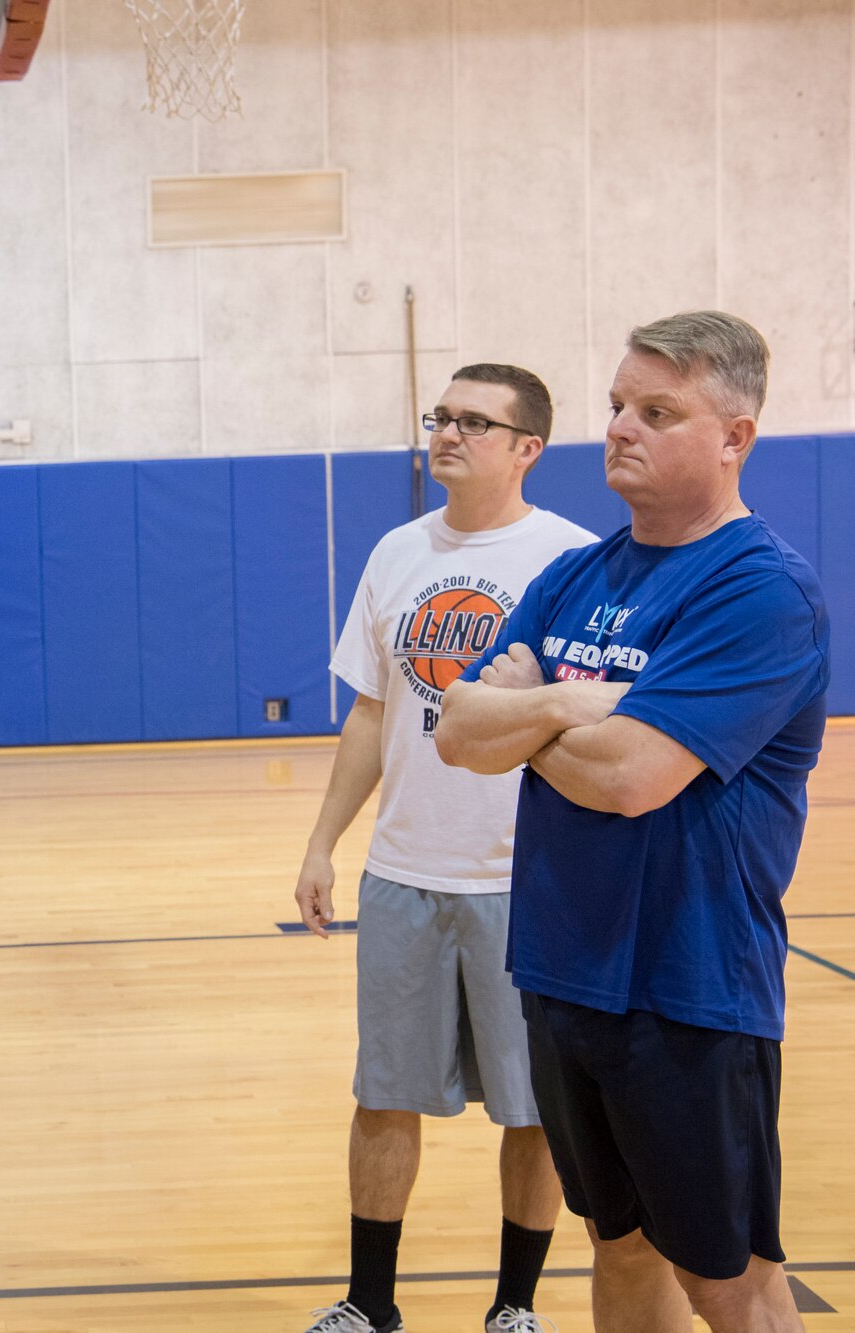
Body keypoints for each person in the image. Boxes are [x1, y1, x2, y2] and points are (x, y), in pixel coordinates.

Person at [435, 311, 826, 1333]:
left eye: (656, 412)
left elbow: (630, 778)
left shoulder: (759, 591)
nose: (619, 428)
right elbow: (456, 732)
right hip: (562, 972)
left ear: (732, 435)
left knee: (725, 1275)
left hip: (687, 992)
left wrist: (522, 713)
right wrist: (569, 707)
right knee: (616, 1246)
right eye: (616, 405)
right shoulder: (572, 575)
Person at [295, 365, 595, 1333]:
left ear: (525, 448)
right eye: (441, 416)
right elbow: (370, 711)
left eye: (475, 421)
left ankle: (512, 1307)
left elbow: (591, 723)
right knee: (382, 1096)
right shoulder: (393, 552)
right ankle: (368, 1303)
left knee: (532, 1109)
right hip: (401, 875)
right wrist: (320, 844)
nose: (448, 433)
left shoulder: (571, 561)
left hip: (526, 881)